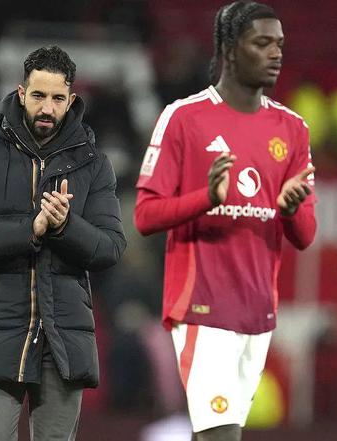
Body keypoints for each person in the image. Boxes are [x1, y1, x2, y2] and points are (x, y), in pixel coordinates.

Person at [134, 3, 316, 441]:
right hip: (202, 306)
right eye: (262, 43)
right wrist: (207, 199)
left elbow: (306, 235)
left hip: (257, 311)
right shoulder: (184, 117)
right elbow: (145, 215)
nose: (276, 53)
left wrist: (290, 210)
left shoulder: (292, 128)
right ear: (231, 49)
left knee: (213, 433)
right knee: (221, 434)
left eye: (279, 44)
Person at [0, 45, 126, 441]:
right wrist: (33, 227)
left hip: (63, 337)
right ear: (21, 93)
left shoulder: (94, 164)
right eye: (39, 96)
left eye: (57, 98)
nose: (47, 108)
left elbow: (110, 247)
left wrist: (64, 226)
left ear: (71, 100)